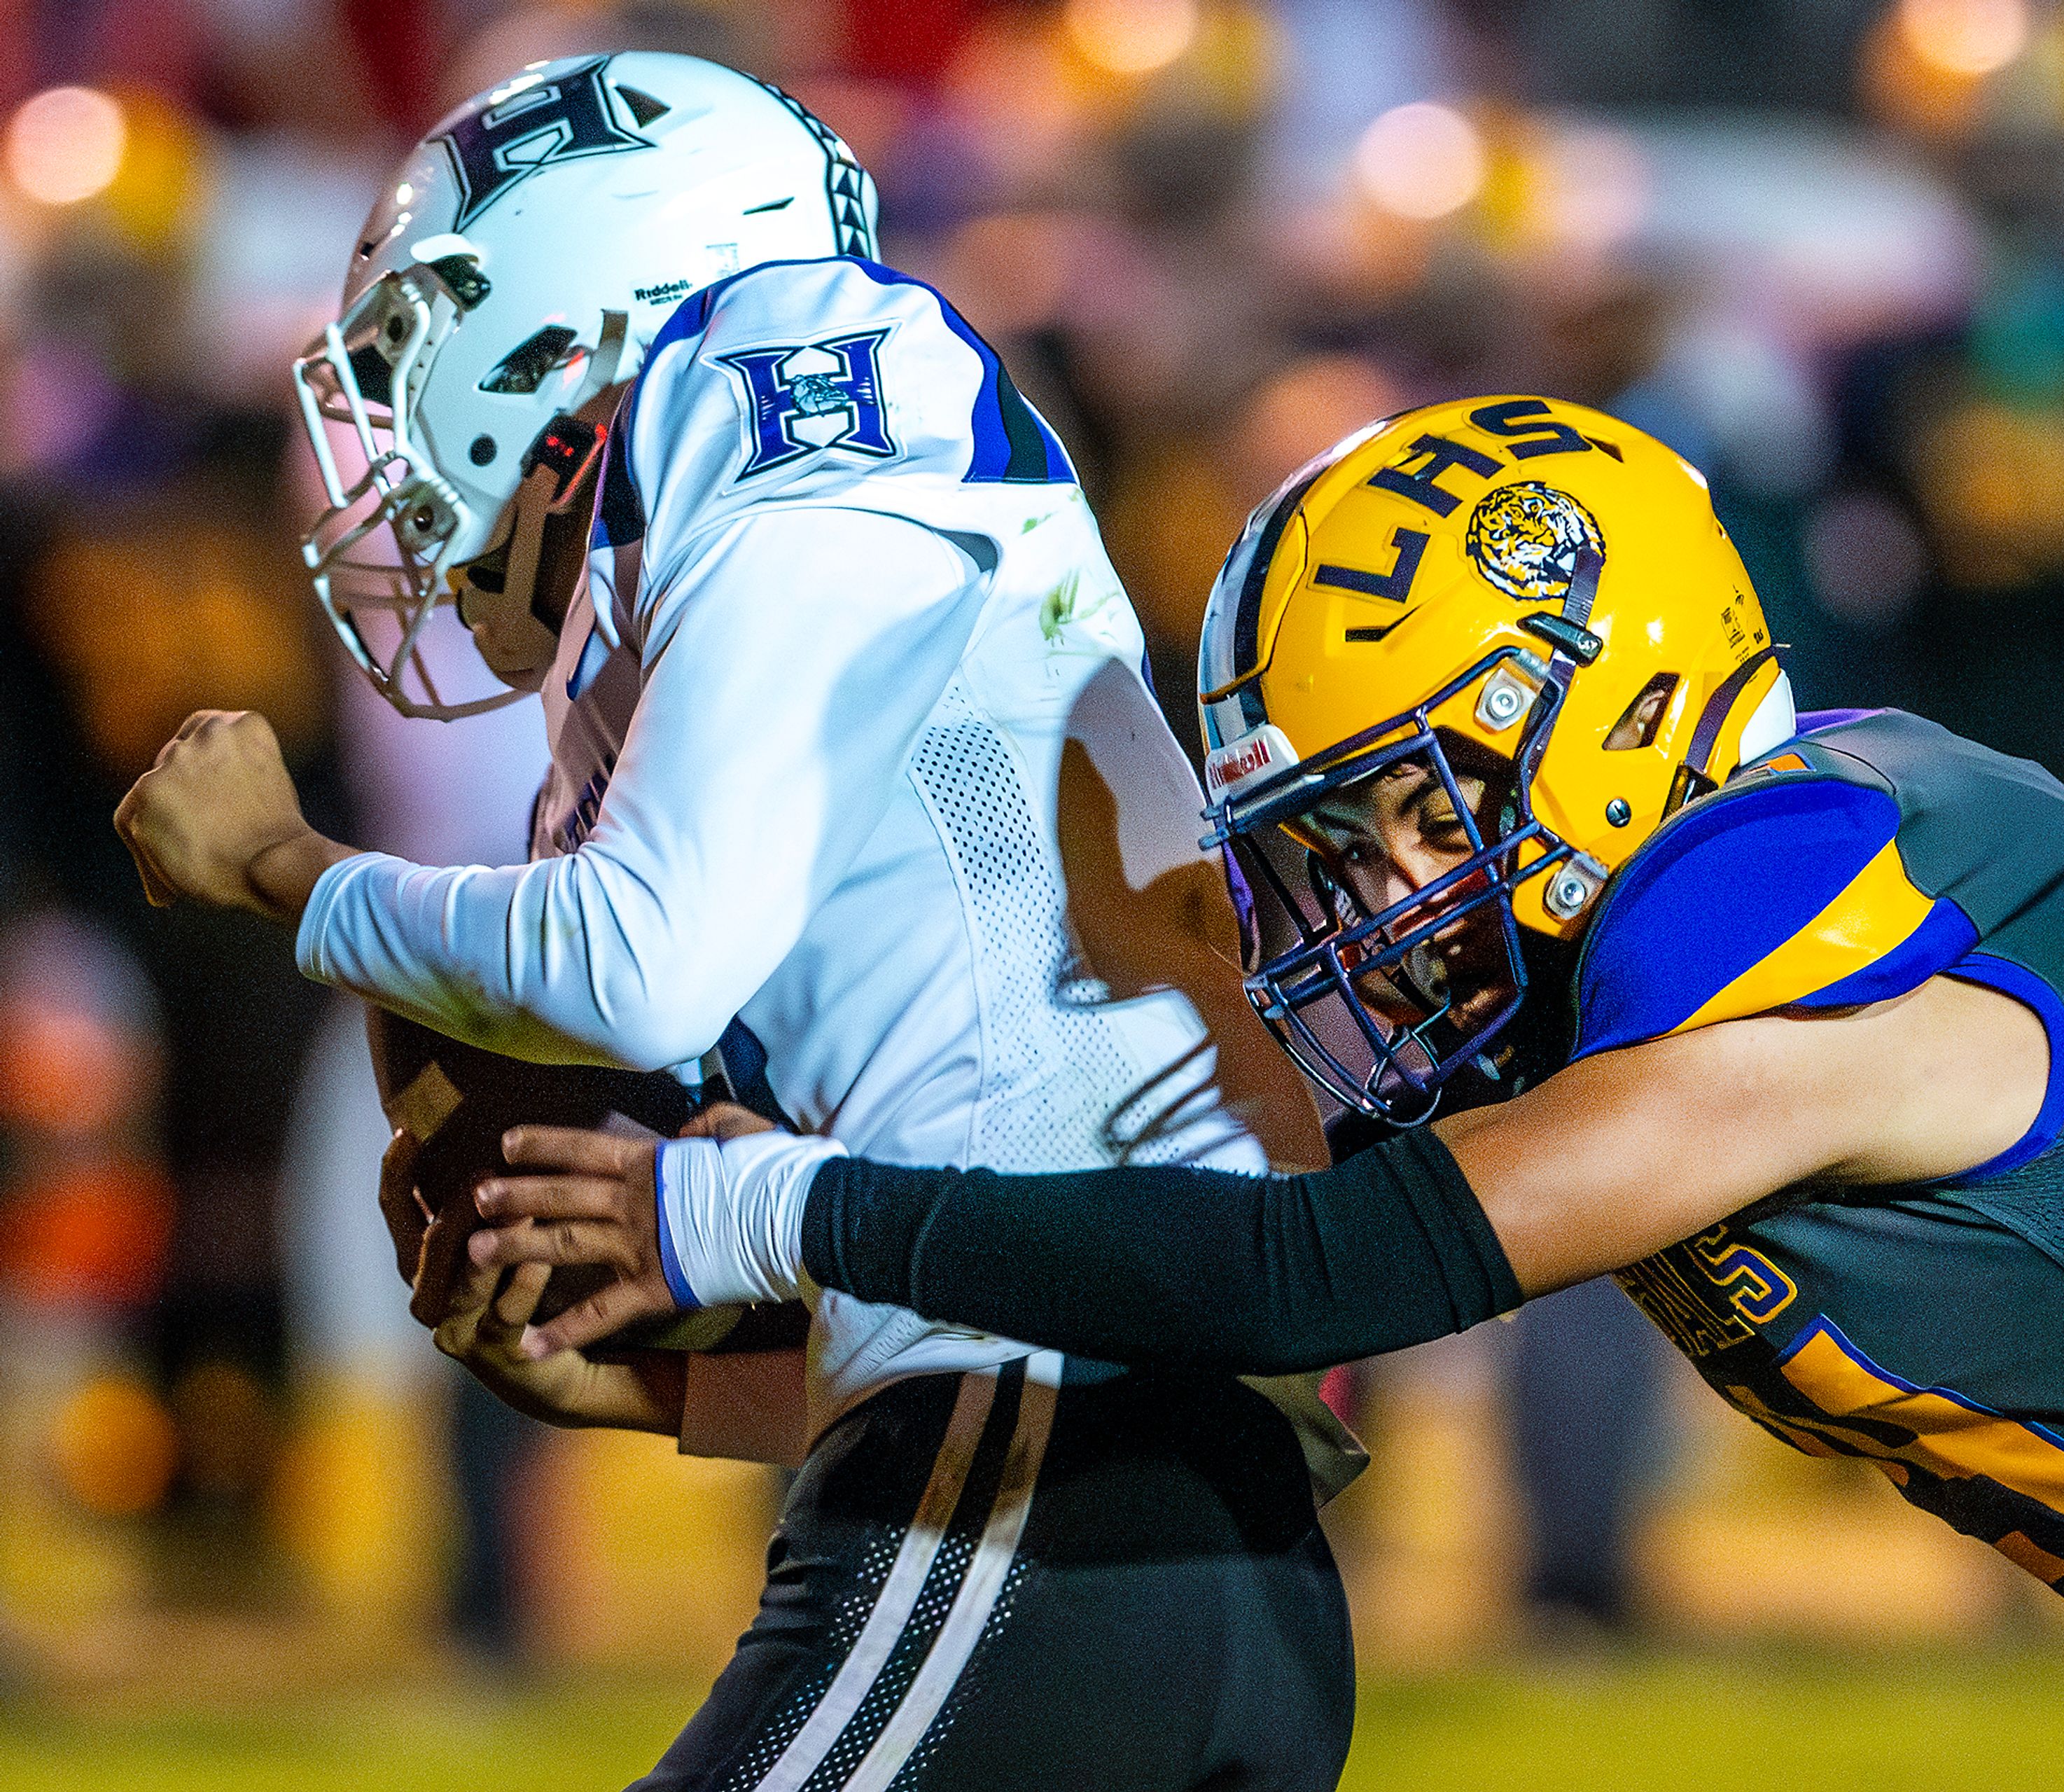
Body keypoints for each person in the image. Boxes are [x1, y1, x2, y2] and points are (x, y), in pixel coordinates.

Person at [478, 398, 2064, 1790]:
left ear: (1604, 716)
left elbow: (1304, 1266)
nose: (1375, 902)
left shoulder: (1802, 910)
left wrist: (777, 1214)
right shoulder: (1646, 962)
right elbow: (1189, 1159)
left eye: (1405, 822)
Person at [111, 52, 1351, 1792]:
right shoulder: (779, 539)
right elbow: (970, 1196)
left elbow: (644, 960)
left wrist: (286, 874)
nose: (389, 454)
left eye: (408, 365)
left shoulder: (779, 376)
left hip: (1024, 1498)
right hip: (1147, 1502)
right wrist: (655, 1389)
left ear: (559, 319)